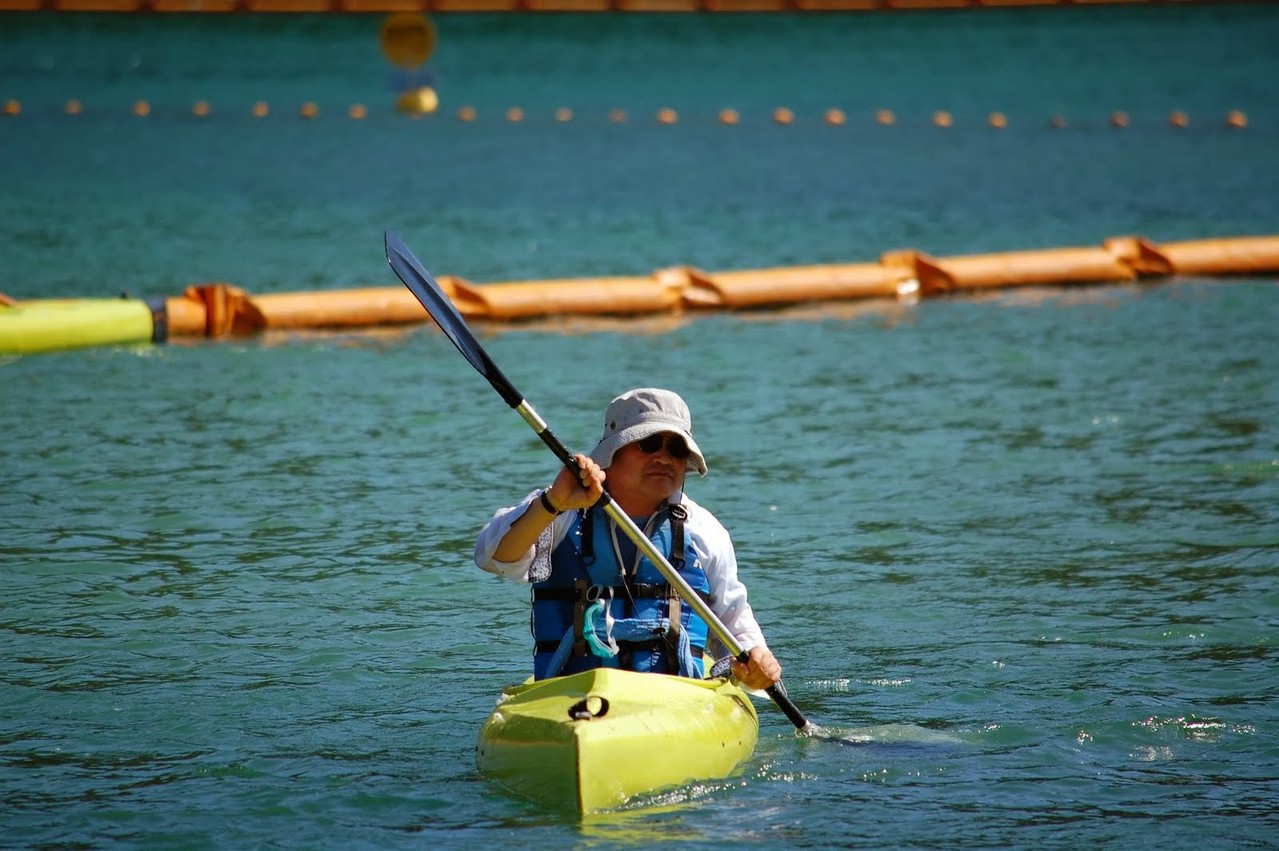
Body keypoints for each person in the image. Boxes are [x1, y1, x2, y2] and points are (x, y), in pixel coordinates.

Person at [474, 387, 782, 691]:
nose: (664, 457)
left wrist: (755, 660)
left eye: (676, 449)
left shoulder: (705, 531)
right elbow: (494, 558)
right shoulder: (559, 508)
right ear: (613, 452)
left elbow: (733, 621)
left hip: (678, 699)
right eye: (649, 443)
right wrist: (554, 503)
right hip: (569, 697)